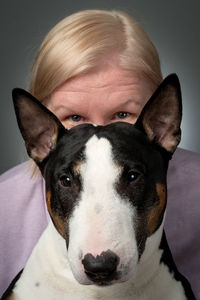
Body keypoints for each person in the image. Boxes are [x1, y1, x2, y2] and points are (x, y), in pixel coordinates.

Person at [0, 9, 200, 298]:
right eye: (75, 117)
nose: (98, 136)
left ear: (160, 122)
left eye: (122, 114)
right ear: (42, 131)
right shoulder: (5, 204)